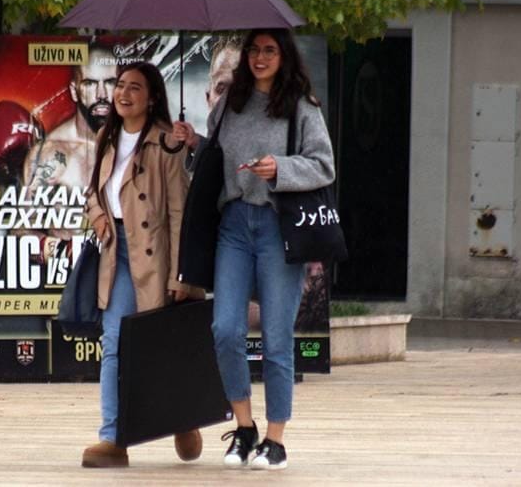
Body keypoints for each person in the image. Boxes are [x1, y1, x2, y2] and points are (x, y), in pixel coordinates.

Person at [172, 29, 336, 470]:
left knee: (276, 337)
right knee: (226, 329)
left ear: (284, 56)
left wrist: (279, 168)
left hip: (277, 226)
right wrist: (194, 142)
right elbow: (216, 162)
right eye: (254, 50)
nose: (260, 58)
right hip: (234, 225)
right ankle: (244, 428)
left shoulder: (302, 106)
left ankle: (275, 440)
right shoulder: (230, 103)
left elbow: (324, 166)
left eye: (269, 50)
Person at [81, 62, 201, 468]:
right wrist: (98, 215)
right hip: (117, 253)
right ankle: (113, 438)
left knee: (161, 348)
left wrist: (181, 274)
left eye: (135, 87)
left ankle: (184, 419)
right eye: (120, 85)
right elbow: (93, 190)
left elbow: (180, 212)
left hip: (157, 256)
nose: (123, 93)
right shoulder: (105, 137)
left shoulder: (167, 142)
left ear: (152, 99)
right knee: (114, 344)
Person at [21, 44, 118, 261]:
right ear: (74, 91)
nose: (102, 94)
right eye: (90, 83)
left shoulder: (133, 146)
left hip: (122, 268)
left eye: (110, 82)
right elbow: (21, 229)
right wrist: (63, 253)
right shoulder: (51, 153)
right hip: (71, 274)